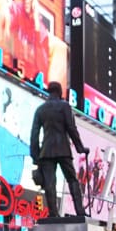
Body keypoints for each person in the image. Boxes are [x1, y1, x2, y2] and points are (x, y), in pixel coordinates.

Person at [30, 81, 89, 217]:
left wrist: (35, 156)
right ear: (60, 92)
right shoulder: (64, 106)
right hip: (63, 149)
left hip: (46, 152)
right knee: (72, 180)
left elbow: (34, 135)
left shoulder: (40, 110)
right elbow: (71, 128)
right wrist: (80, 148)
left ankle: (53, 213)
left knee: (49, 183)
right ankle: (80, 211)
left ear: (48, 92)